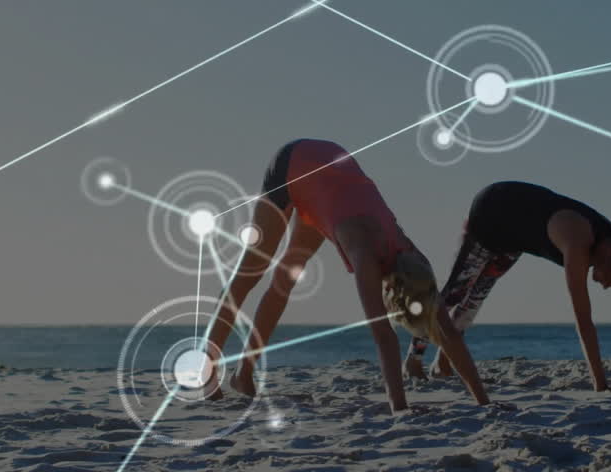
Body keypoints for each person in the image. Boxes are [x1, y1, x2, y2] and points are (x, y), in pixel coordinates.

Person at [204, 139, 491, 413]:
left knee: (284, 281)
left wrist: (483, 401)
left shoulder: (415, 260)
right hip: (293, 163)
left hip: (330, 172)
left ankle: (244, 375)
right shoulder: (366, 257)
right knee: (249, 273)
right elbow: (384, 336)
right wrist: (400, 408)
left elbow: (447, 331)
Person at [404, 180, 611, 389]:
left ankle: (445, 362)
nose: (605, 286)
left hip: (516, 237)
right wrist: (600, 384)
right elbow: (584, 319)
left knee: (473, 302)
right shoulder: (577, 241)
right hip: (493, 211)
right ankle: (414, 361)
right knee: (454, 294)